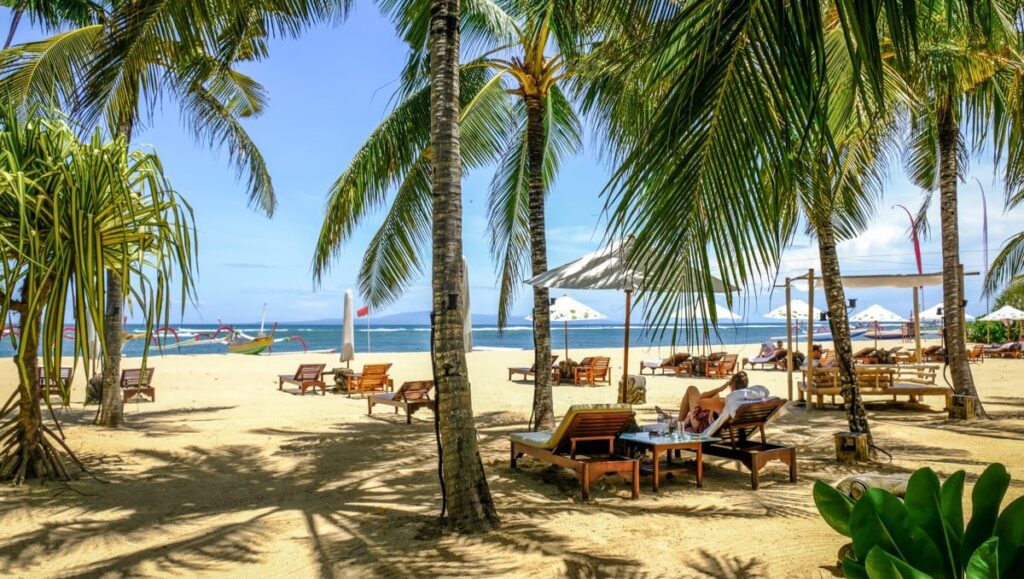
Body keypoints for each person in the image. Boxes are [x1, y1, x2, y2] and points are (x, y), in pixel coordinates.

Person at [678, 372, 749, 433]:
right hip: (726, 431)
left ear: (731, 385)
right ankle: (683, 422)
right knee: (715, 396)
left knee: (691, 389)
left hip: (702, 427)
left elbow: (700, 399)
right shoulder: (747, 402)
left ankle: (678, 426)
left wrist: (721, 388)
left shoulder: (724, 403)